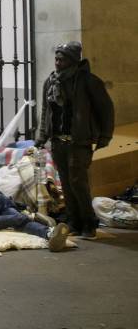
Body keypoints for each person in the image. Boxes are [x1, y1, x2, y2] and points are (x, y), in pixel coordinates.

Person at [36, 41, 114, 240]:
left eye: (61, 59)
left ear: (72, 60)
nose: (57, 62)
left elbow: (105, 109)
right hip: (58, 142)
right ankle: (73, 222)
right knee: (67, 184)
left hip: (79, 142)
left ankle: (89, 223)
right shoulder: (51, 82)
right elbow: (46, 111)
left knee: (78, 182)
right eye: (56, 58)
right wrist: (41, 136)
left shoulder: (89, 81)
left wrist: (105, 136)